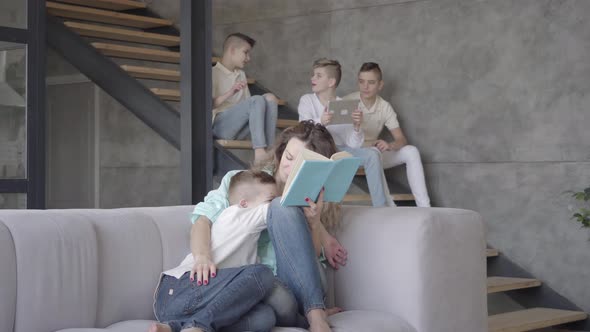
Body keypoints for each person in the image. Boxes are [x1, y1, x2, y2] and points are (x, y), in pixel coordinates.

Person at [190, 121, 348, 332]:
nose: (290, 167)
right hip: (261, 290)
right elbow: (202, 220)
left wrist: (314, 223)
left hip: (301, 288)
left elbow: (309, 264)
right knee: (270, 307)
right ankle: (305, 318)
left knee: (282, 209)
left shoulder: (310, 202)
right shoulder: (240, 184)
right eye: (289, 158)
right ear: (281, 153)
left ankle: (315, 315)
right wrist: (201, 256)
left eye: (301, 165)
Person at [150, 170, 279, 332]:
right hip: (180, 288)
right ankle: (199, 326)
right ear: (244, 203)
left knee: (264, 317)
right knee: (261, 273)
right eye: (271, 200)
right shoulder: (239, 215)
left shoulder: (249, 242)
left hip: (177, 307)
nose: (275, 203)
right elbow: (281, 209)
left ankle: (177, 327)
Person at [343, 62, 430, 207]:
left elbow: (401, 140)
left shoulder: (385, 106)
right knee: (374, 154)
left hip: (374, 152)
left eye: (371, 82)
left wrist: (389, 145)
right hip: (353, 155)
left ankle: (425, 208)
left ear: (380, 85)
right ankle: (387, 207)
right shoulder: (347, 102)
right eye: (361, 82)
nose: (365, 87)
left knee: (411, 151)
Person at [212, 32, 279, 164]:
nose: (248, 58)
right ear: (232, 50)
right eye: (245, 52)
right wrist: (230, 92)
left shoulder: (241, 74)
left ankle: (269, 150)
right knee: (257, 100)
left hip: (239, 128)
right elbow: (209, 105)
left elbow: (251, 107)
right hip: (220, 127)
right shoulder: (213, 73)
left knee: (270, 98)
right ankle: (259, 152)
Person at [298, 58, 364, 149]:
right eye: (313, 75)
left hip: (339, 151)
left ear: (331, 82)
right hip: (315, 149)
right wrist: (321, 122)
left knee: (373, 153)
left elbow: (354, 146)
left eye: (319, 76)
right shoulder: (307, 100)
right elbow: (303, 131)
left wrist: (356, 127)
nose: (312, 78)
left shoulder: (345, 106)